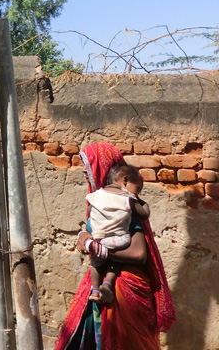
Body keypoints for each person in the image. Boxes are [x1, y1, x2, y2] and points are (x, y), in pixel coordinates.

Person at [55, 142, 176, 350]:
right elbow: (94, 230)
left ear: (102, 169)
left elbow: (139, 254)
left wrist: (102, 251)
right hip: (101, 286)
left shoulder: (126, 209)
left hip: (125, 287)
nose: (84, 171)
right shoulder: (100, 204)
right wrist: (83, 235)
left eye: (88, 166)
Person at [85, 163, 150, 304]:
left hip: (98, 240)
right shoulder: (128, 199)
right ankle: (108, 283)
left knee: (95, 265)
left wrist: (99, 248)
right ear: (125, 180)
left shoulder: (96, 196)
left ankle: (95, 291)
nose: (137, 194)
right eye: (137, 189)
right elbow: (144, 215)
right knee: (115, 261)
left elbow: (90, 212)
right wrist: (143, 204)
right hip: (118, 240)